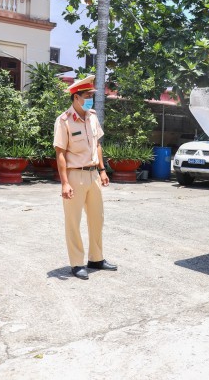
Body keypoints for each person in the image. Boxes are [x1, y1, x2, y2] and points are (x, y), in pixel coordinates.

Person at [53, 75, 117, 280]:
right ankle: (77, 263)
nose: (90, 99)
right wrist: (64, 182)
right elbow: (60, 153)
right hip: (75, 175)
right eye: (87, 95)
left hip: (93, 175)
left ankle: (96, 258)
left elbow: (97, 144)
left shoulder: (92, 117)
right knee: (73, 221)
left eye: (91, 95)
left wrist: (102, 169)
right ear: (76, 97)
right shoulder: (63, 120)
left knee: (97, 218)